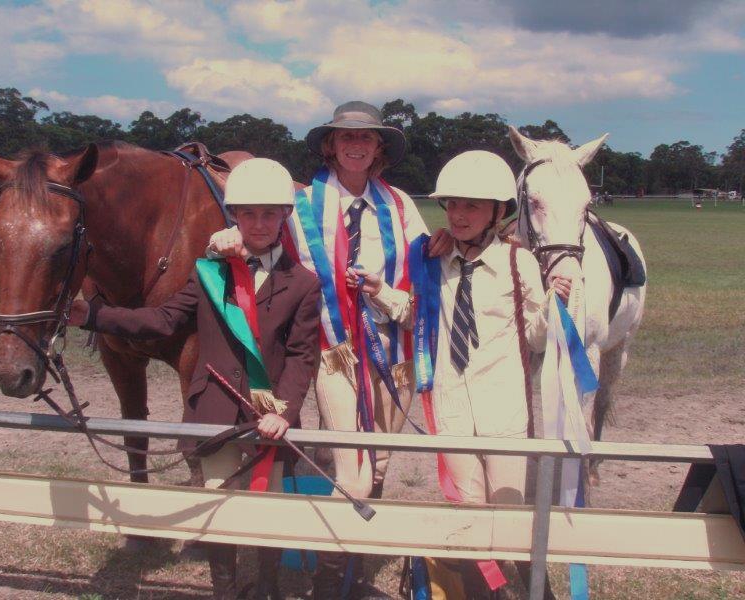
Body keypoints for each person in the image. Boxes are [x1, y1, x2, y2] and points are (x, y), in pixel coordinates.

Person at [209, 100, 451, 597]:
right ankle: (326, 581)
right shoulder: (301, 203)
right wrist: (223, 241)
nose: (356, 145)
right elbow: (262, 241)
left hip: (394, 354)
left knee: (378, 464)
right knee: (354, 471)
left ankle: (349, 571)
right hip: (333, 351)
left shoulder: (400, 204)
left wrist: (395, 284)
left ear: (378, 147)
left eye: (366, 138)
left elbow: (422, 276)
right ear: (331, 146)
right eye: (346, 138)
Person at [68, 158, 321, 600]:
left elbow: (302, 357)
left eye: (269, 213)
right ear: (234, 217)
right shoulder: (209, 273)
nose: (258, 223)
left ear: (286, 216)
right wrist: (93, 315)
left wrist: (285, 412)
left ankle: (267, 587)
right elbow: (163, 320)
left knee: (271, 507)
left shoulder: (303, 284)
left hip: (270, 416)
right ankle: (223, 588)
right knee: (215, 502)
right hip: (215, 408)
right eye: (248, 214)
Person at [354, 150, 570, 597]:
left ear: (498, 211)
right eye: (452, 204)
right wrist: (382, 293)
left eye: (471, 205)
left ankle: (535, 590)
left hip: (504, 411)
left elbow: (534, 336)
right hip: (451, 407)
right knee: (469, 518)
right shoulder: (435, 261)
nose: (458, 215)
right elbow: (419, 316)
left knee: (510, 515)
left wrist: (556, 307)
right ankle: (486, 593)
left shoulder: (519, 263)